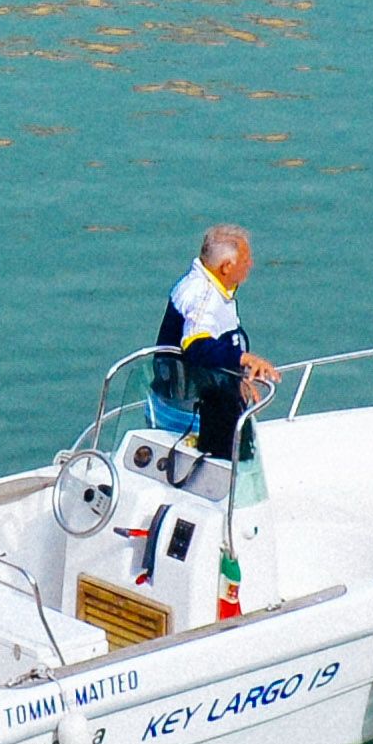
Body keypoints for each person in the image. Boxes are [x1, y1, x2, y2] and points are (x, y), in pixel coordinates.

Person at [151, 226, 266, 619]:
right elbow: (197, 345)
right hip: (192, 410)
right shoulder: (201, 295)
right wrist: (242, 362)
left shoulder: (212, 285)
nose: (251, 267)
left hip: (209, 396)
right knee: (217, 471)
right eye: (247, 261)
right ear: (227, 264)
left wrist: (236, 378)